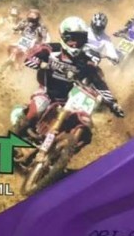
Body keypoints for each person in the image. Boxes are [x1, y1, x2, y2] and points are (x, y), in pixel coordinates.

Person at [11, 16, 124, 144]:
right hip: (46, 93)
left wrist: (113, 103)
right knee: (39, 106)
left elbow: (99, 83)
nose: (76, 43)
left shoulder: (86, 62)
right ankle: (10, 139)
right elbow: (29, 57)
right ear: (64, 37)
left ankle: (63, 148)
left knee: (84, 127)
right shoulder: (51, 49)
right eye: (73, 39)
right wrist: (43, 64)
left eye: (80, 39)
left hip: (69, 102)